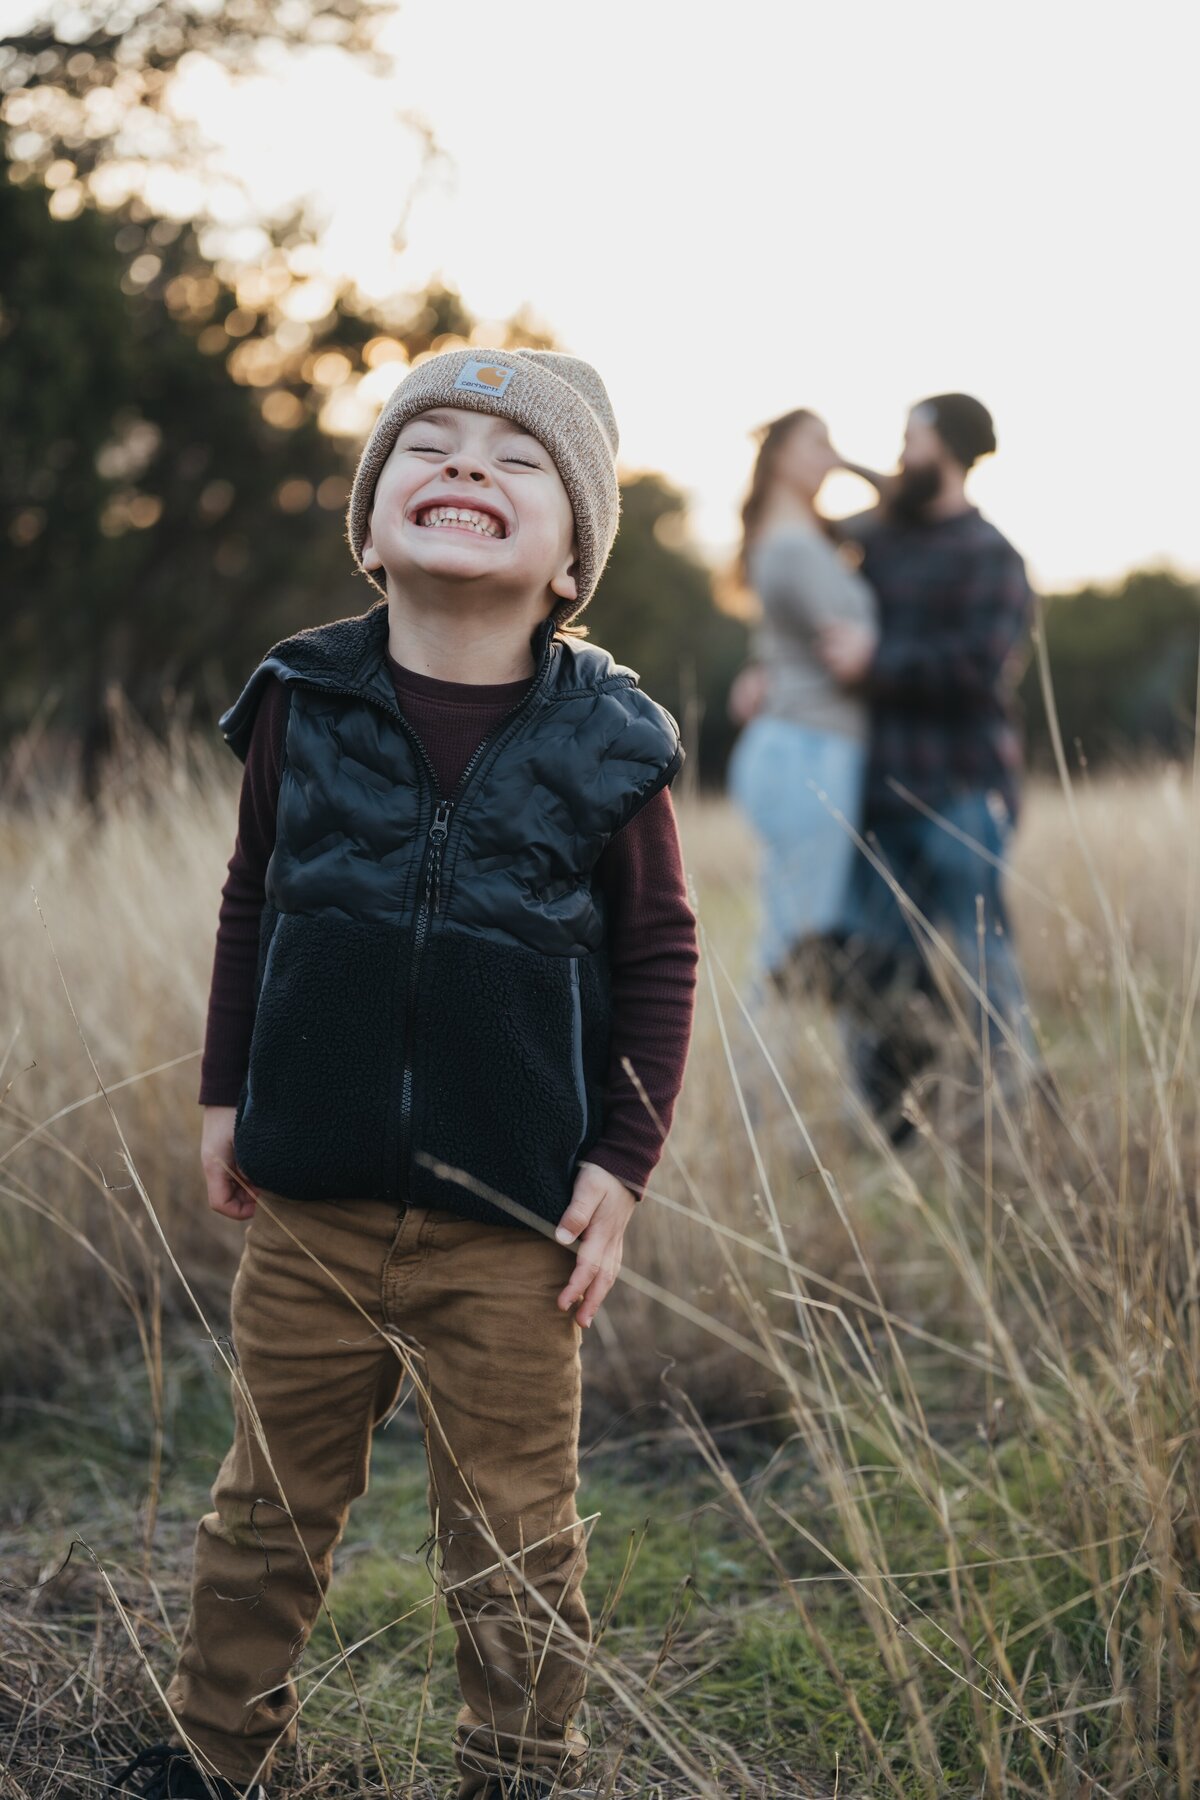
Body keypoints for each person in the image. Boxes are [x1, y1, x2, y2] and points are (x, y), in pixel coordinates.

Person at [109, 348, 699, 1800]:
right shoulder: (302, 702)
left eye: (514, 464)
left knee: (512, 1536)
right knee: (266, 1509)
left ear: (573, 563)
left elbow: (661, 958)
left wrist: (619, 1169)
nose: (465, 472)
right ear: (373, 532)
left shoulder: (611, 746)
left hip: (512, 1223)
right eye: (425, 448)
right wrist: (225, 1092)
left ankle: (515, 1766)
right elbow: (256, 896)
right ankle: (218, 1749)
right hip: (309, 1201)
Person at [817, 392, 1037, 1135]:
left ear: (943, 448)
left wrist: (877, 662)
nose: (901, 453)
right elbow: (809, 541)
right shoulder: (883, 541)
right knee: (874, 972)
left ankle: (1011, 1111)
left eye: (911, 438)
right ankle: (890, 1129)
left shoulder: (993, 555)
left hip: (962, 792)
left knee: (984, 966)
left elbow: (978, 669)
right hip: (876, 796)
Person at [724, 409, 879, 1001]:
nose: (831, 456)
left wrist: (847, 466)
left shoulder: (798, 536)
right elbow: (848, 652)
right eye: (817, 443)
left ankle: (772, 1079)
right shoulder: (793, 546)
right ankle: (759, 1084)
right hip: (808, 751)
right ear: (780, 455)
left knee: (800, 932)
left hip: (800, 746)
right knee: (795, 938)